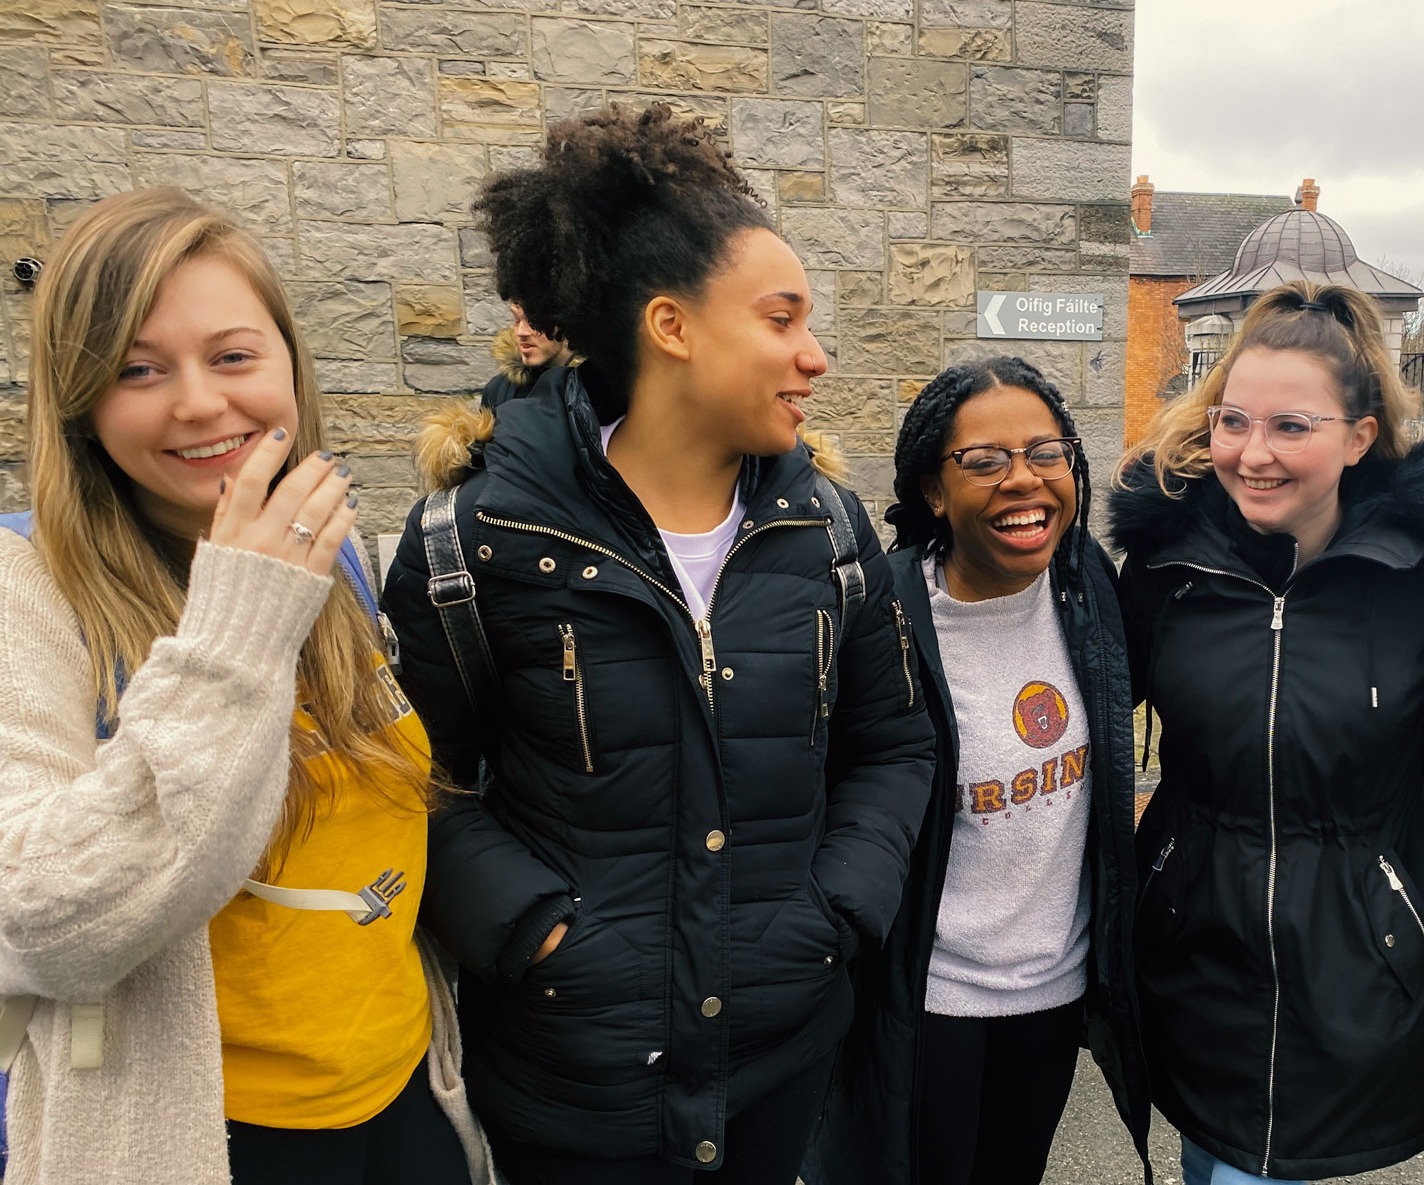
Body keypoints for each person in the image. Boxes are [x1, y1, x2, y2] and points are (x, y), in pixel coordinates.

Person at [382, 103, 935, 1185]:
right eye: (781, 319)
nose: (814, 356)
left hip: (778, 1062)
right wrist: (538, 935)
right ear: (672, 326)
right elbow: (412, 781)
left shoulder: (826, 532)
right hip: (572, 1080)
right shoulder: (474, 538)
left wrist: (835, 913)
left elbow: (892, 744)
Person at [0, 188, 487, 1185]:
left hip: (407, 1101)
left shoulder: (328, 554)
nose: (197, 401)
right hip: (207, 1139)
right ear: (82, 403)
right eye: (138, 370)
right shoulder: (26, 589)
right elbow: (40, 926)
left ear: (289, 369)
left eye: (232, 356)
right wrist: (238, 626)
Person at [1111, 280, 1424, 1184]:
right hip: (1195, 946)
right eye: (1235, 422)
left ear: (1360, 436)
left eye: (1293, 426)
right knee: (1212, 1163)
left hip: (1356, 954)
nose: (1253, 454)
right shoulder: (1167, 571)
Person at [807, 358, 1149, 1185]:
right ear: (933, 489)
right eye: (985, 460)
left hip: (1054, 990)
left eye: (1046, 452)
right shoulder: (880, 614)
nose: (1023, 480)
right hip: (927, 1002)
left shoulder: (1086, 587)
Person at [479, 302, 572, 410]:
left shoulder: (591, 387)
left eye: (534, 322)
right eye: (516, 320)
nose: (521, 332)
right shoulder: (498, 390)